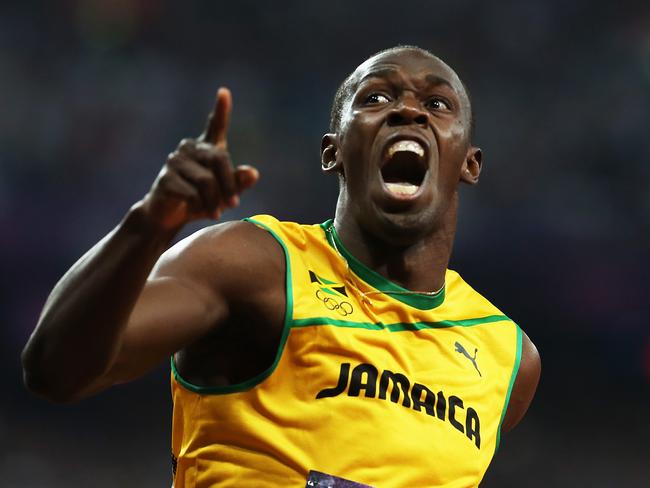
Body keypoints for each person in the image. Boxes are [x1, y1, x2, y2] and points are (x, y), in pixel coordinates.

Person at [22, 45, 541, 487]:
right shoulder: (255, 264)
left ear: (468, 164)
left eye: (436, 102)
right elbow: (56, 370)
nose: (409, 111)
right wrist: (149, 223)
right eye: (377, 98)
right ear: (333, 152)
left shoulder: (507, 357)